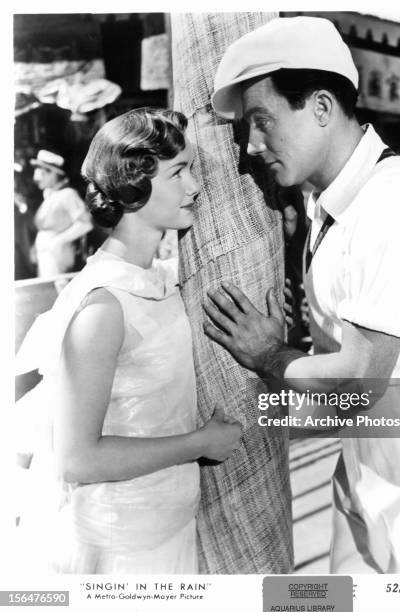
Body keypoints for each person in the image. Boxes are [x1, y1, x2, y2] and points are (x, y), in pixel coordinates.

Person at [204, 17, 400, 573]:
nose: (252, 146)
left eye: (262, 122)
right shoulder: (326, 199)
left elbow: (362, 378)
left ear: (321, 107)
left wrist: (269, 356)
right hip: (364, 459)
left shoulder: (395, 201)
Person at [15, 108, 242, 574]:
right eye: (179, 171)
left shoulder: (158, 279)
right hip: (121, 549)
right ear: (134, 181)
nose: (195, 186)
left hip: (172, 526)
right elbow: (77, 459)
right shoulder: (103, 306)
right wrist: (200, 442)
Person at [31, 149, 93, 277]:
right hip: (46, 254)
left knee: (57, 290)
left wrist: (57, 241)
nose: (37, 178)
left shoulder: (67, 194)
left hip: (58, 255)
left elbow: (86, 224)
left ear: (54, 174)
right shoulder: (50, 196)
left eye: (43, 174)